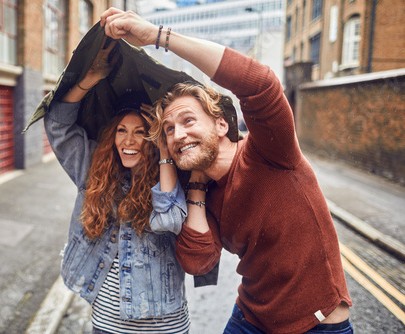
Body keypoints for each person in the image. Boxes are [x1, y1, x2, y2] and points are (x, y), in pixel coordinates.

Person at [100, 8, 353, 334]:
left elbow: (259, 82)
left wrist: (157, 37)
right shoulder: (201, 189)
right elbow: (197, 261)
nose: (178, 135)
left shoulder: (270, 151)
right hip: (249, 318)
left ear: (221, 123)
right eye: (169, 130)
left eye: (188, 120)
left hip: (317, 325)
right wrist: (197, 189)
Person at [44, 37, 191, 334]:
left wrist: (163, 149)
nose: (129, 140)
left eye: (141, 132)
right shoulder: (92, 169)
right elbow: (57, 124)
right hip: (106, 324)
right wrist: (91, 78)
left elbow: (170, 220)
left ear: (153, 137)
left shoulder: (171, 173)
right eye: (122, 130)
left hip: (163, 325)